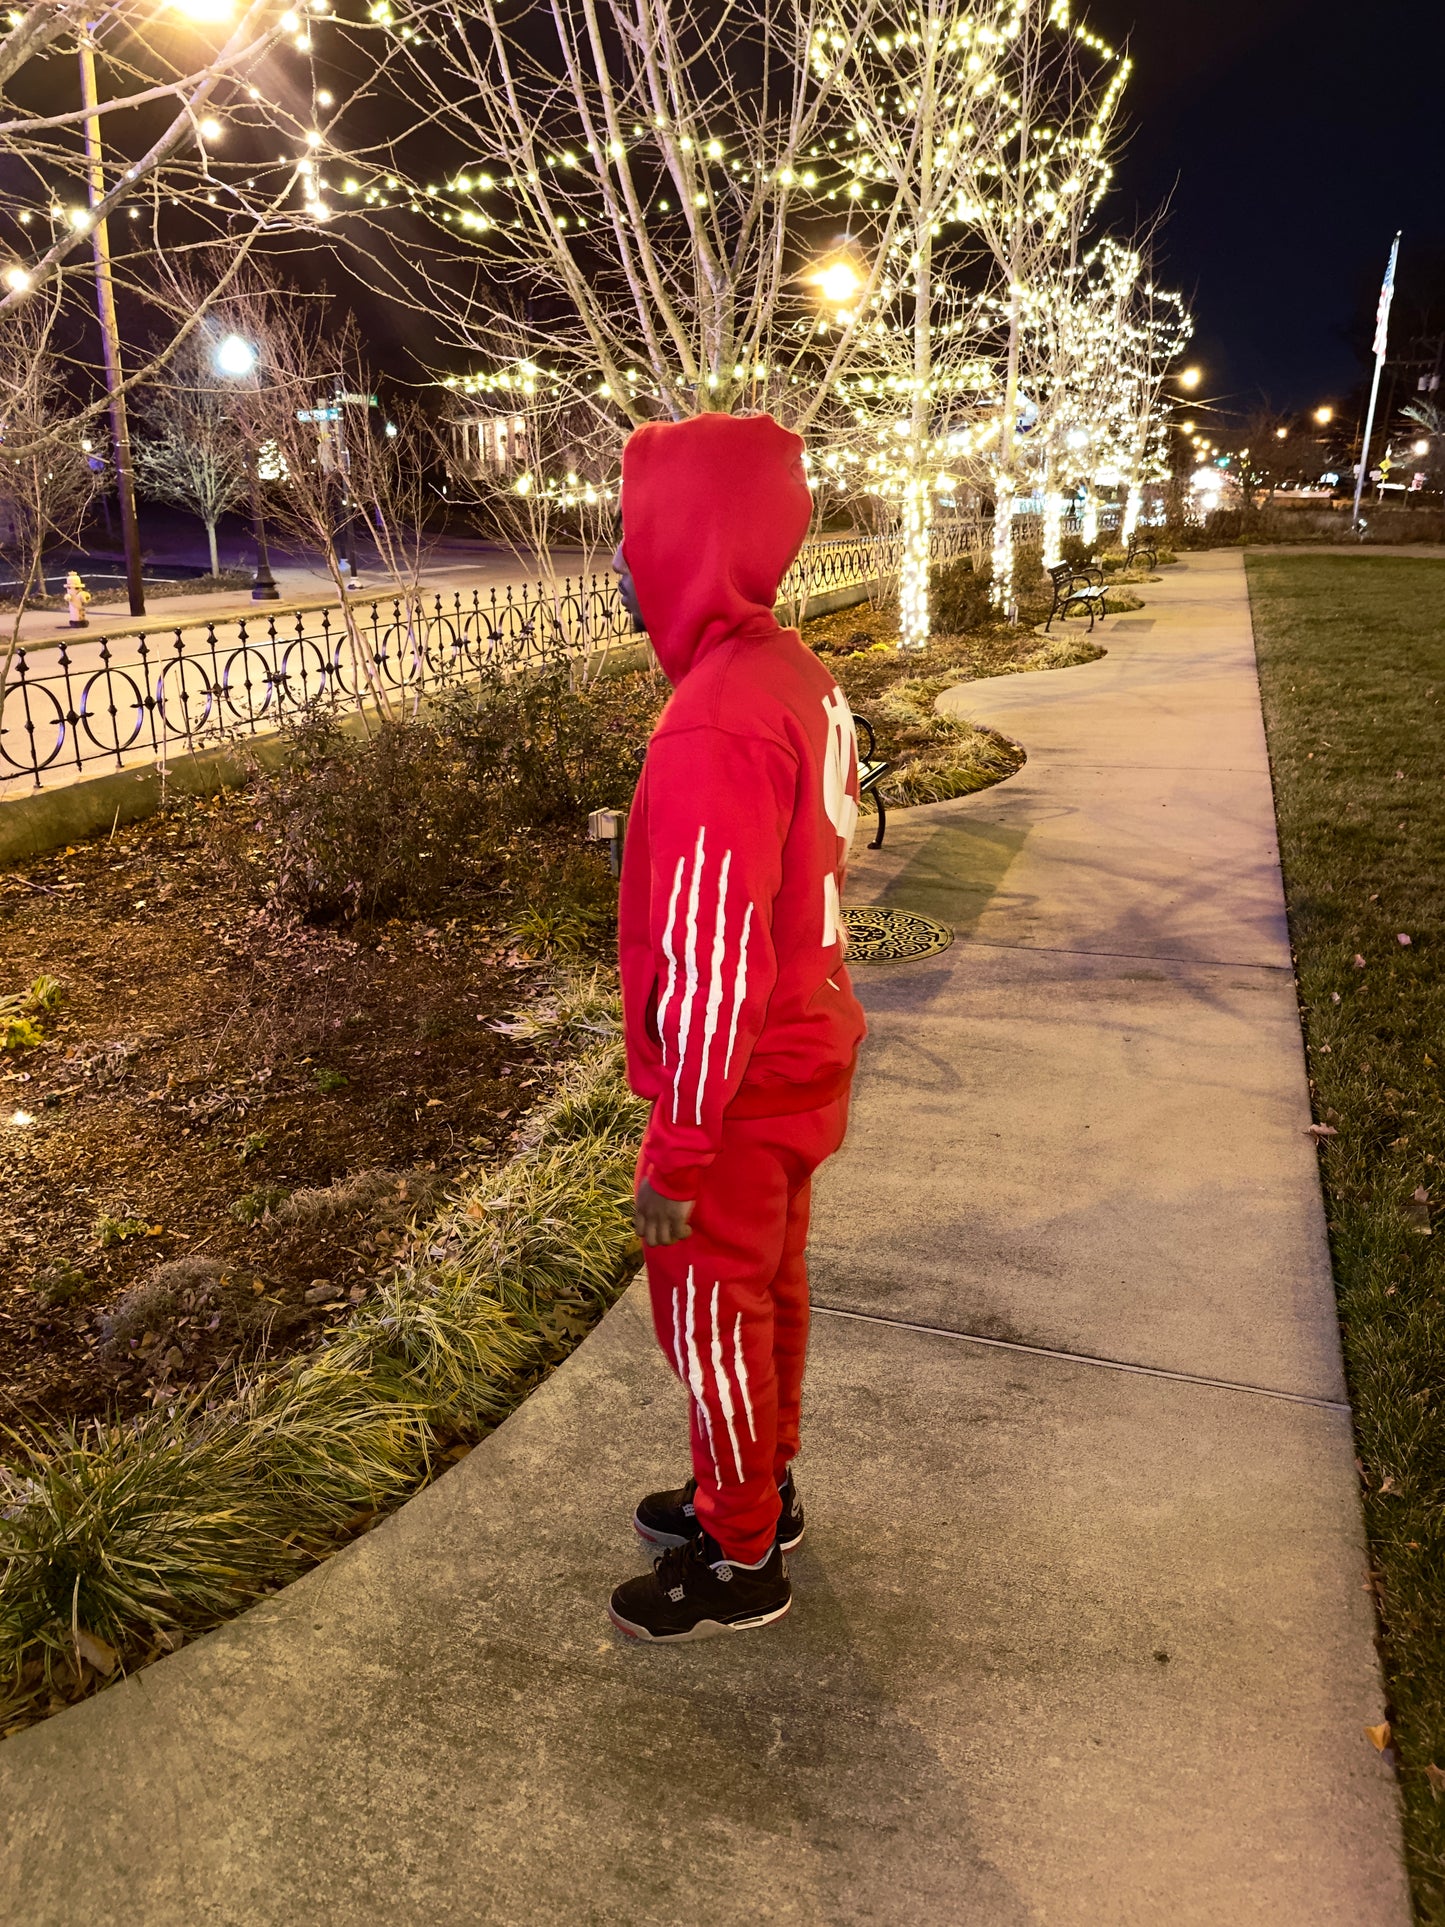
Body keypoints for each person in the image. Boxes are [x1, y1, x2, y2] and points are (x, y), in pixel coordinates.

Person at [606, 411, 867, 1643]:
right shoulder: (793, 673)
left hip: (740, 1092)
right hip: (802, 1062)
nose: (621, 555)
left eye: (632, 529)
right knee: (765, 1295)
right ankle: (763, 1486)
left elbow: (712, 956)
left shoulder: (712, 716)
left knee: (710, 1315)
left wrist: (679, 1141)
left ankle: (736, 1548)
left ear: (684, 540)